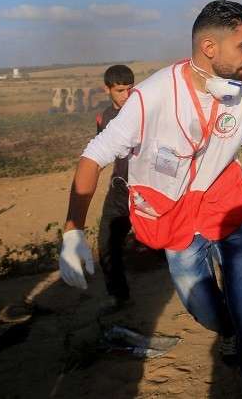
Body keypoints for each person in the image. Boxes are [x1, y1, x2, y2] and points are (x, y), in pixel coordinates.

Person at [57, 0, 242, 398]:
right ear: (209, 47)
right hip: (175, 219)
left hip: (228, 210)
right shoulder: (152, 97)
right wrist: (72, 230)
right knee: (202, 306)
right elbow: (95, 155)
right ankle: (227, 329)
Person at [95, 64, 135, 313]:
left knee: (166, 243)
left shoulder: (146, 111)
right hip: (120, 188)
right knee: (107, 242)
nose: (126, 95)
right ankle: (118, 295)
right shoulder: (104, 118)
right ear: (107, 89)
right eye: (120, 90)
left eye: (130, 89)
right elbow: (102, 152)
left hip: (150, 188)